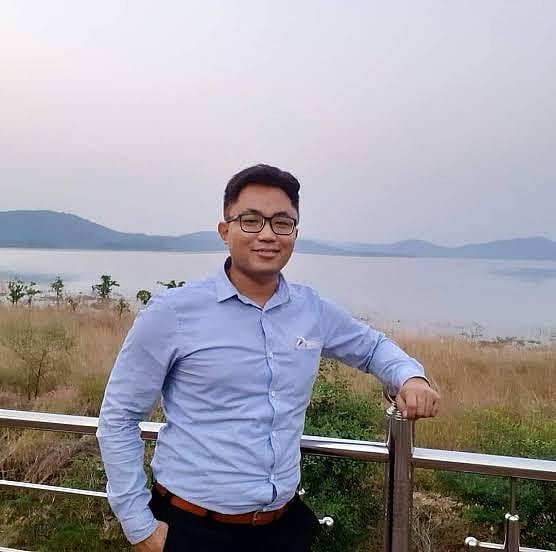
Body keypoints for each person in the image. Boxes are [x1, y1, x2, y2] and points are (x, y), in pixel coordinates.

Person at [96, 164, 440, 552]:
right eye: (251, 220)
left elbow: (373, 347)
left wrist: (410, 377)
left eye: (282, 223)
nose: (267, 234)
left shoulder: (311, 309)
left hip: (283, 527)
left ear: (294, 233)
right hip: (192, 529)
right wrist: (139, 526)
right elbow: (119, 416)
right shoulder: (173, 312)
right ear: (225, 231)